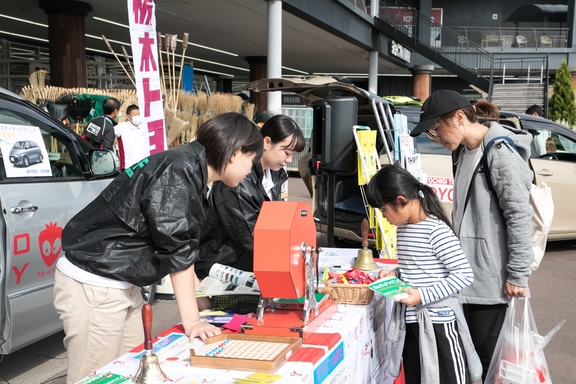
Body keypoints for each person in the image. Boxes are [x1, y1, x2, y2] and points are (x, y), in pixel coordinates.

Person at [53, 112, 263, 384]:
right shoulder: (180, 170)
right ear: (235, 153)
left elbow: (180, 243)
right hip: (96, 284)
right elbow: (177, 248)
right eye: (251, 160)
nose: (250, 169)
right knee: (95, 378)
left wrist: (196, 302)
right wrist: (193, 321)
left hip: (120, 282)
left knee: (131, 372)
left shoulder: (188, 164)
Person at [409, 90, 534, 381]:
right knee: (472, 358)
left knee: (489, 361)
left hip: (491, 282)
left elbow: (518, 215)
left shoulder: (498, 152)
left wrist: (517, 274)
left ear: (459, 117)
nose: (434, 137)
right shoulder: (463, 153)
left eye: (436, 128)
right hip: (468, 274)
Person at [368, 164, 481, 384]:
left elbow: (464, 275)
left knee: (449, 378)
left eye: (383, 210)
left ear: (400, 201)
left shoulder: (436, 231)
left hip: (439, 323)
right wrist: (395, 272)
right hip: (412, 323)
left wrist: (421, 295)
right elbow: (417, 268)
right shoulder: (403, 228)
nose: (384, 216)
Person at [196, 114, 306, 277]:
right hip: (225, 263)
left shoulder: (277, 173)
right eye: (286, 152)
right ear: (266, 142)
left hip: (251, 259)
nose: (289, 160)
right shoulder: (237, 180)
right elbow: (252, 237)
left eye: (293, 155)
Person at [114, 104, 147, 170]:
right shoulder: (121, 127)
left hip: (143, 164)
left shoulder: (143, 127)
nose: (137, 117)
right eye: (135, 115)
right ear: (128, 116)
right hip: (128, 167)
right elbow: (108, 133)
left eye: (138, 114)